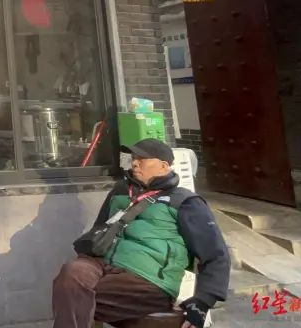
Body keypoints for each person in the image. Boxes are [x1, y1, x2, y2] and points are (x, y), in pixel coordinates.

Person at [52, 139, 229, 328]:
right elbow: (99, 229)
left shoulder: (185, 202)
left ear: (163, 166)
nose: (135, 163)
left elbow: (216, 254)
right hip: (103, 263)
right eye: (134, 158)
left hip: (148, 278)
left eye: (142, 159)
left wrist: (202, 302)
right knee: (70, 275)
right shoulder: (120, 192)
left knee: (75, 296)